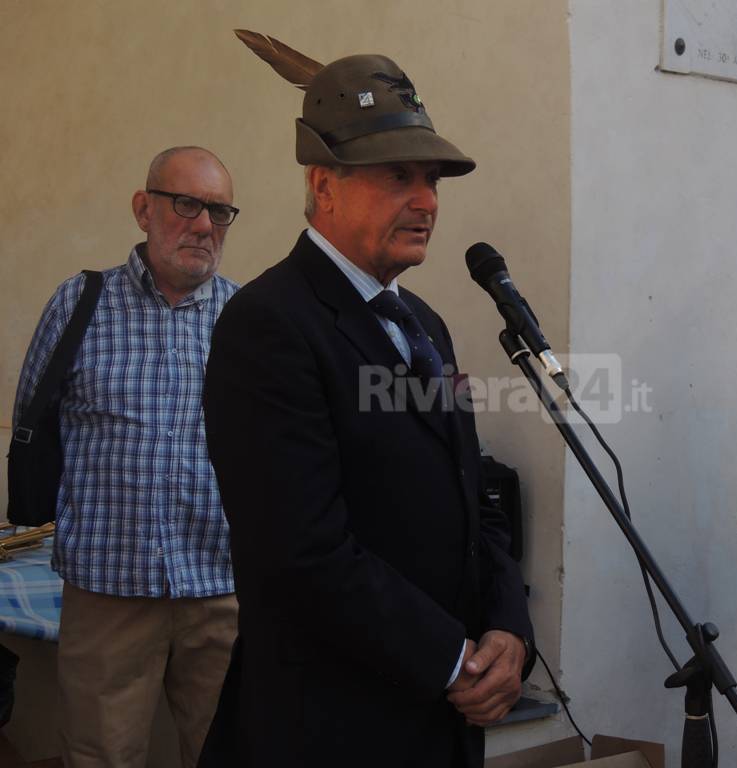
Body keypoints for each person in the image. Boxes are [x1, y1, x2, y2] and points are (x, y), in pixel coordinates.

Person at [198, 54, 534, 767]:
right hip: (333, 727)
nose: (427, 201)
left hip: (440, 725)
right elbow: (301, 551)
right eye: (397, 176)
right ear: (323, 185)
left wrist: (510, 629)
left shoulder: (426, 324)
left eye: (432, 180)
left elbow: (475, 499)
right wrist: (455, 661)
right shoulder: (269, 324)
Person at [12, 146, 240, 768]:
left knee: (231, 753)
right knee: (99, 757)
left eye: (219, 212)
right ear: (144, 209)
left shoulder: (247, 318)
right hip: (108, 590)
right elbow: (35, 419)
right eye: (186, 204)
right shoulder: (79, 304)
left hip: (220, 590)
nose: (203, 225)